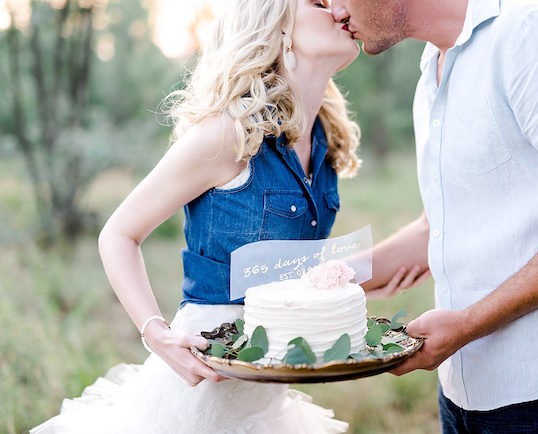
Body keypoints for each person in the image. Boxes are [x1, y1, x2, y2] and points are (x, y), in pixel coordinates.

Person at [31, 1, 364, 433]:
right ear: (277, 24)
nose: (340, 8)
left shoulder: (325, 140)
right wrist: (157, 335)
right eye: (318, 2)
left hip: (268, 396)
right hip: (200, 397)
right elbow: (117, 234)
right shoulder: (230, 133)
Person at [331, 0, 538, 431]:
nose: (332, 11)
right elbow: (441, 225)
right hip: (462, 393)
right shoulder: (433, 70)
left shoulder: (534, 33)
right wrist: (321, 283)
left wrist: (466, 325)